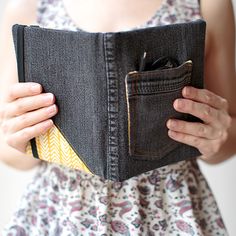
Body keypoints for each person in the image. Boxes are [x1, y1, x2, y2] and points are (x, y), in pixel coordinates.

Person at [0, 0, 235, 235]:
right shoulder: (26, 6)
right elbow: (7, 147)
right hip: (62, 212)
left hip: (171, 210)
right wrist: (20, 135)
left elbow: (229, 129)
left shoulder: (207, 4)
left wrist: (217, 138)